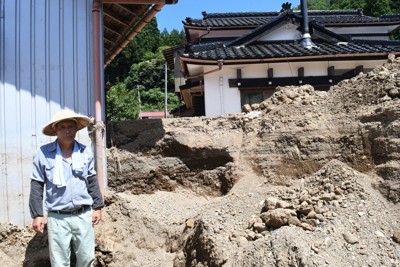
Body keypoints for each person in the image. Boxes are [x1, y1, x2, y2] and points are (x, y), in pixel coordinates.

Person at [29, 110, 104, 266]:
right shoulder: (43, 153)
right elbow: (37, 185)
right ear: (55, 130)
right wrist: (37, 214)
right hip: (57, 217)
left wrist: (97, 206)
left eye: (71, 126)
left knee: (86, 258)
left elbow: (91, 179)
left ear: (76, 129)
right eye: (62, 127)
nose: (67, 131)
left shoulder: (85, 152)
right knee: (59, 262)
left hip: (83, 215)